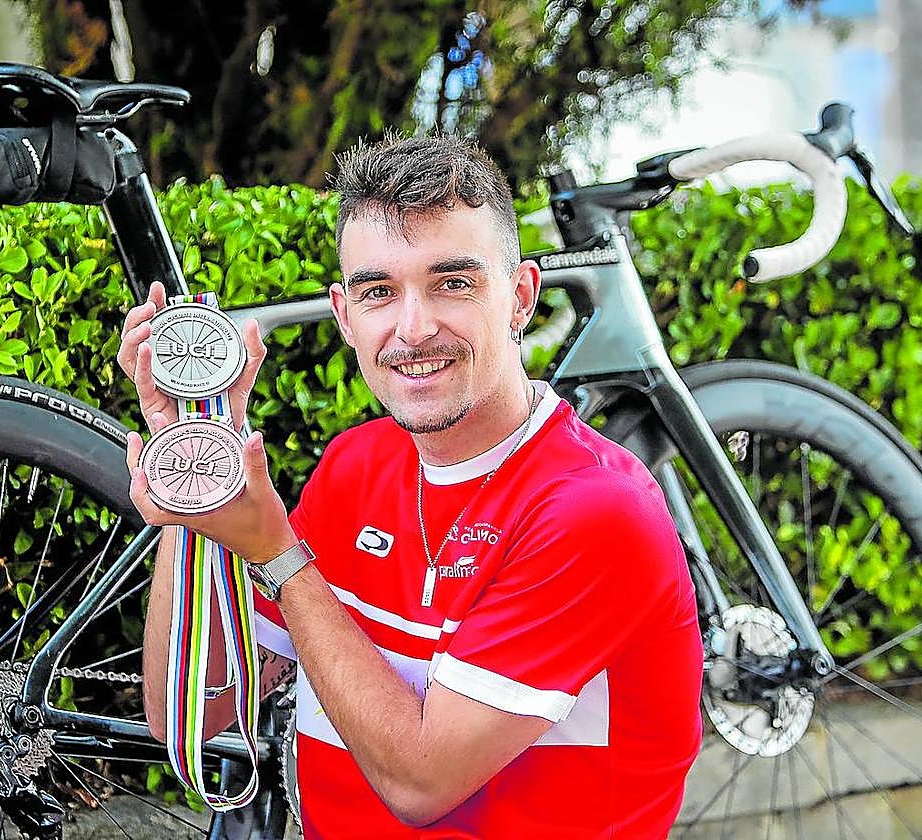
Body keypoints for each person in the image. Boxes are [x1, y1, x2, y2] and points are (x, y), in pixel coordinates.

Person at [117, 135, 703, 838]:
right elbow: (196, 709)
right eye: (378, 293)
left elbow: (421, 782)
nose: (414, 328)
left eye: (453, 283)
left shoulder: (594, 509)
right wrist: (195, 459)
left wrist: (279, 555)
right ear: (344, 315)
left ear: (520, 297)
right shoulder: (352, 468)